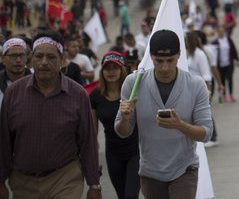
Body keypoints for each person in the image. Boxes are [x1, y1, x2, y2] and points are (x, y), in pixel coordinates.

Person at [0, 32, 102, 198]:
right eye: (39, 56)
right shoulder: (13, 93)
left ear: (62, 60)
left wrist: (94, 184)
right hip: (23, 183)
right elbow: (4, 142)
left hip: (65, 179)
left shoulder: (77, 94)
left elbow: (88, 142)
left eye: (51, 57)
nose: (44, 62)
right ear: (31, 59)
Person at [115, 30, 213, 198]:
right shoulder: (133, 83)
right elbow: (123, 132)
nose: (165, 67)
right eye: (159, 61)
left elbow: (206, 133)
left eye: (170, 60)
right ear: (151, 57)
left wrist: (179, 125)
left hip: (184, 169)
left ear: (179, 55)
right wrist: (124, 119)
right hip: (150, 171)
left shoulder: (196, 85)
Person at [91, 51, 140, 199]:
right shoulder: (95, 95)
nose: (111, 71)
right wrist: (92, 158)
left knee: (130, 195)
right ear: (102, 71)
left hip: (136, 151)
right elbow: (93, 132)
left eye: (115, 67)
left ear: (122, 70)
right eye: (107, 68)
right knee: (121, 195)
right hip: (113, 153)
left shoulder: (133, 91)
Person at [0, 38, 30, 110]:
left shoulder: (37, 82)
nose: (18, 60)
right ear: (3, 58)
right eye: (13, 56)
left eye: (22, 55)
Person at [212, 26, 239, 103]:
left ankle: (231, 94)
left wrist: (236, 59)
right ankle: (224, 95)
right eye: (219, 31)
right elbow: (211, 52)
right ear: (217, 32)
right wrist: (215, 48)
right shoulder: (215, 42)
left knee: (229, 78)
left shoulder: (228, 40)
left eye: (222, 31)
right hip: (220, 64)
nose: (221, 33)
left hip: (229, 63)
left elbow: (233, 49)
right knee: (222, 79)